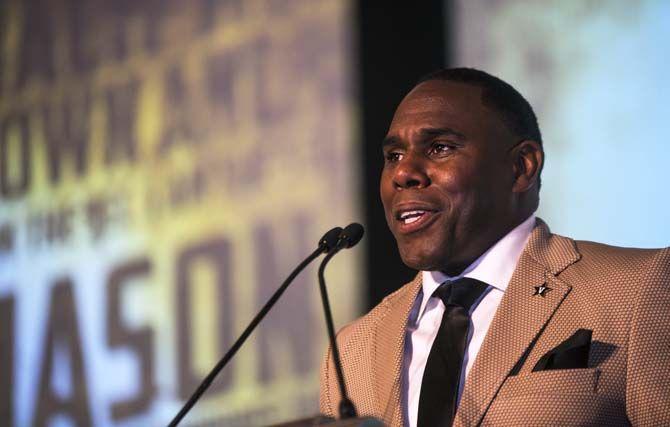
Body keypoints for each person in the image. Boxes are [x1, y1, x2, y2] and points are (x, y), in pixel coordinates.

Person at [319, 68, 670, 426]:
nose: (403, 172)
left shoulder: (638, 289)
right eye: (393, 155)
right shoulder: (351, 352)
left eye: (439, 147)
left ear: (521, 167)